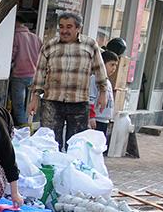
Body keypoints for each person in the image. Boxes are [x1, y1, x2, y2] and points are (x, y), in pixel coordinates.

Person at [29, 12, 109, 150]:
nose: (64, 31)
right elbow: (40, 73)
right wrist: (35, 98)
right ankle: (51, 169)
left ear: (78, 28)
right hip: (52, 101)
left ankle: (72, 170)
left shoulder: (90, 45)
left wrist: (103, 92)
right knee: (50, 143)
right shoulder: (49, 46)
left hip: (78, 102)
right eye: (61, 27)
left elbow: (100, 70)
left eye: (69, 27)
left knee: (76, 145)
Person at [10, 15, 42, 127]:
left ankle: (22, 127)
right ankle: (30, 125)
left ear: (16, 23)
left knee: (18, 104)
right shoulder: (35, 37)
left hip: (19, 75)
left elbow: (12, 55)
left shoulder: (16, 36)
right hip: (33, 75)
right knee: (30, 103)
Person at [89, 50, 118, 138]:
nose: (114, 68)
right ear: (102, 64)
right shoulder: (94, 79)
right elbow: (91, 99)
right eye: (112, 64)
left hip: (104, 120)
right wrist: (91, 117)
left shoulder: (107, 82)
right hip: (96, 120)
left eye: (115, 65)